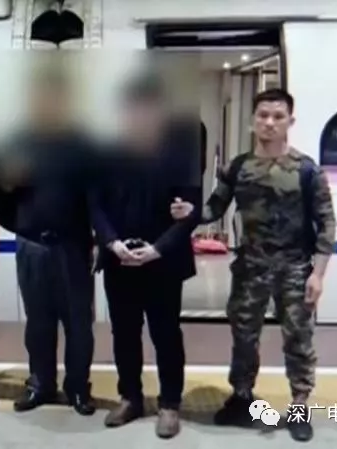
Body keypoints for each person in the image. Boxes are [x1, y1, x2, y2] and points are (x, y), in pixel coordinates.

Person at [171, 88, 336, 442]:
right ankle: (242, 396)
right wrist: (192, 214)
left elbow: (326, 224)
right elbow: (216, 207)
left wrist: (318, 275)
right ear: (252, 121)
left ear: (290, 121)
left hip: (295, 269)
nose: (269, 122)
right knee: (244, 337)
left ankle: (300, 405)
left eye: (278, 116)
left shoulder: (307, 171)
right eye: (263, 115)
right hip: (251, 268)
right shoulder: (238, 167)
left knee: (298, 339)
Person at [90, 75, 202, 439]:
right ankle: (130, 397)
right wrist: (111, 243)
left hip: (162, 263)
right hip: (120, 260)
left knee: (165, 334)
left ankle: (169, 404)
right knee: (124, 334)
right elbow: (95, 204)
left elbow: (192, 211)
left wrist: (157, 249)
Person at [2, 69, 97, 415]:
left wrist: (99, 240)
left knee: (78, 324)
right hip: (32, 244)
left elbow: (96, 195)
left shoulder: (84, 144)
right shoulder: (18, 141)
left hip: (73, 245)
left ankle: (78, 388)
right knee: (38, 322)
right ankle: (41, 384)